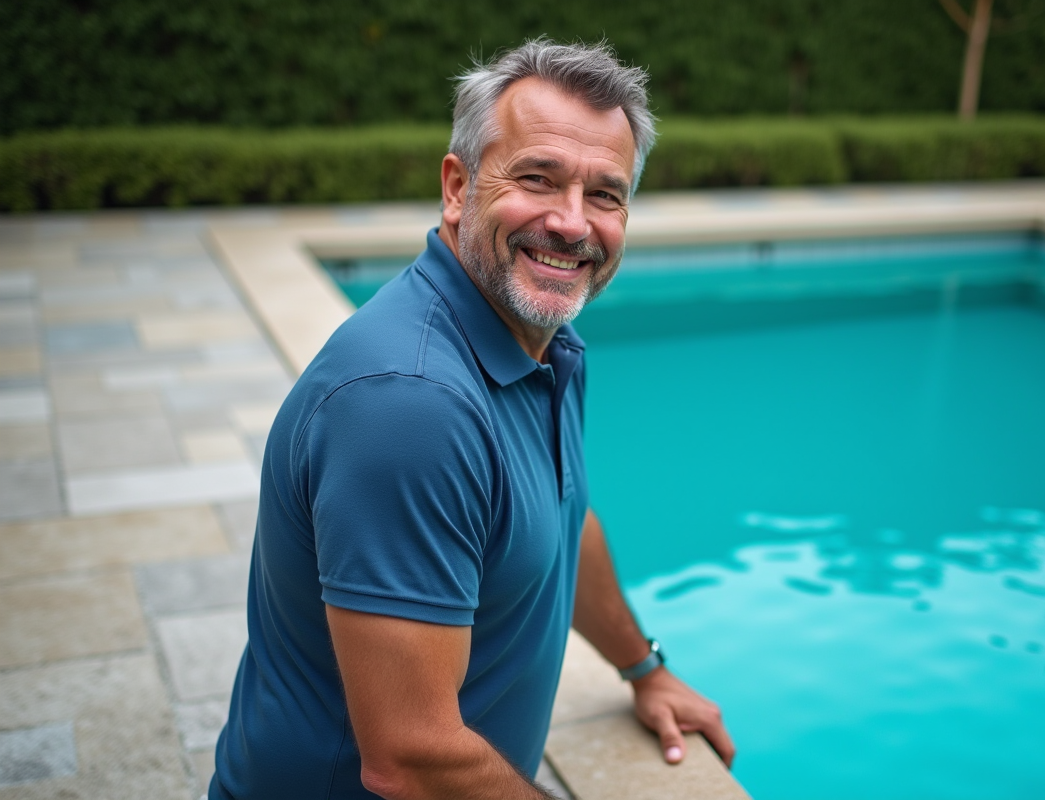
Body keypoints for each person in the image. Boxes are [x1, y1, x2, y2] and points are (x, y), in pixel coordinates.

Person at [210, 38, 735, 800]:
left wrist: (644, 669)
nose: (571, 223)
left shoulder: (542, 343)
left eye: (606, 194)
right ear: (458, 188)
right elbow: (410, 756)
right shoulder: (409, 403)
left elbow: (562, 518)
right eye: (537, 179)